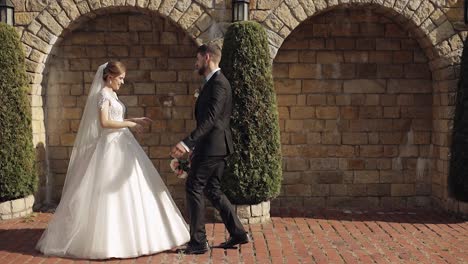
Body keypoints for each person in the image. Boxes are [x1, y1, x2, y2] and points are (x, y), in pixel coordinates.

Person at [36, 61, 190, 259]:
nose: (122, 82)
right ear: (109, 77)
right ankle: (108, 242)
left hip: (123, 145)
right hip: (110, 148)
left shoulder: (113, 95)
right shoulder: (102, 95)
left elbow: (115, 118)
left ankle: (140, 236)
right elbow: (105, 122)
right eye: (120, 78)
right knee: (108, 194)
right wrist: (130, 124)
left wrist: (134, 120)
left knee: (134, 188)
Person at [171, 44, 250, 255]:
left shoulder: (219, 84)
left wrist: (187, 143)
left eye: (197, 59)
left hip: (214, 146)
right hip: (214, 146)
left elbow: (211, 120)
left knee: (193, 186)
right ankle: (238, 233)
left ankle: (198, 242)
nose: (195, 63)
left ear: (207, 58)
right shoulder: (211, 83)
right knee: (213, 190)